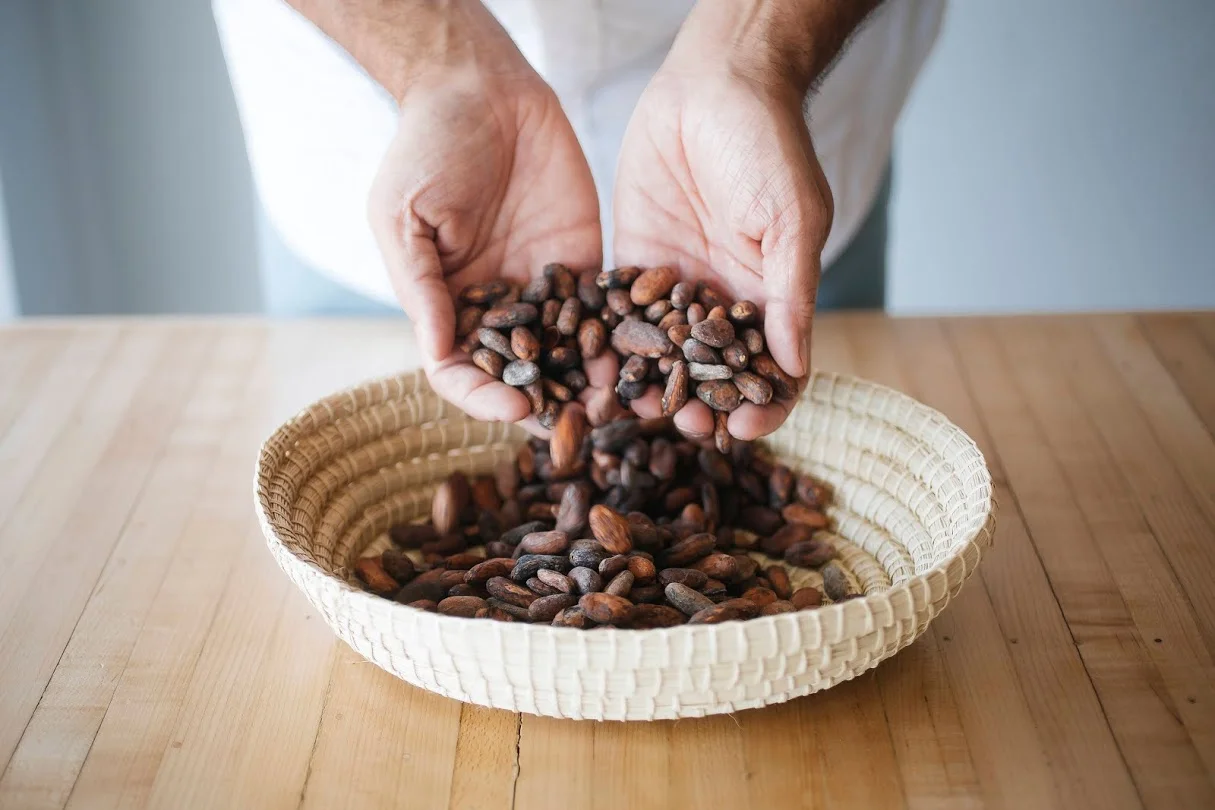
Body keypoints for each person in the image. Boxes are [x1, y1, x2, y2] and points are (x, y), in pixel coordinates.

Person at [212, 0, 942, 440]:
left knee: (812, 408)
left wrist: (753, 56)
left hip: (773, 127)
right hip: (367, 107)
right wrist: (439, 65)